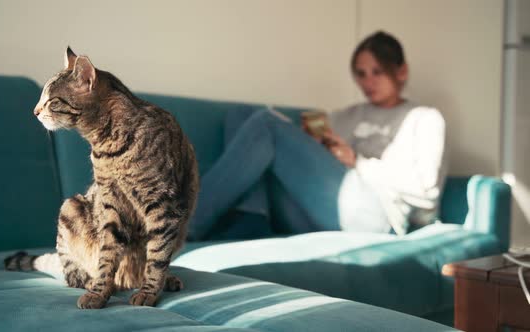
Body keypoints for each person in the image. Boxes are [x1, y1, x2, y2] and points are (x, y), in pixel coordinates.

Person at [187, 31, 447, 241]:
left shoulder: (424, 118)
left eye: (377, 72)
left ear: (400, 71)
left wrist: (356, 161)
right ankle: (251, 221)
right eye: (361, 73)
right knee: (242, 115)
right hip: (318, 207)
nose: (368, 82)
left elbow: (427, 190)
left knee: (266, 124)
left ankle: (183, 224)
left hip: (378, 214)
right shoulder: (342, 116)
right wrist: (306, 144)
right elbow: (314, 168)